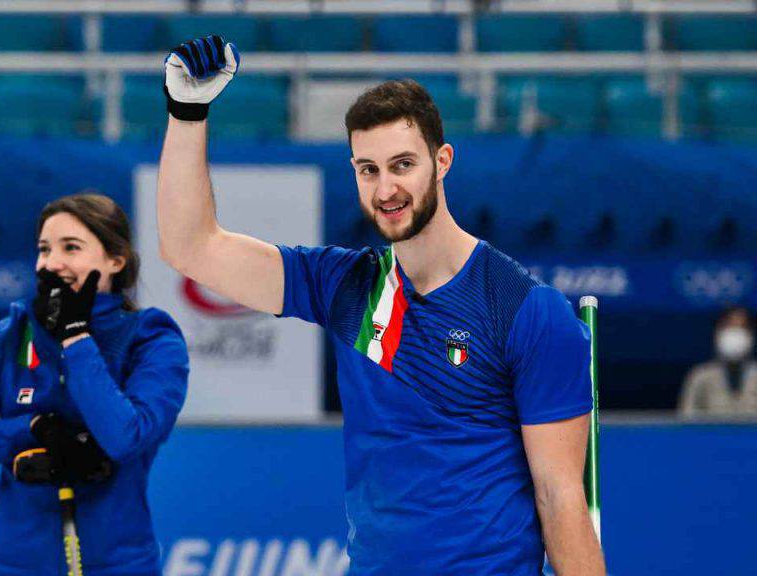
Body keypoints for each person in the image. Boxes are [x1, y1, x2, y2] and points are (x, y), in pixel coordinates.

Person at [157, 36, 604, 575]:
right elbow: (190, 247)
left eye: (402, 165)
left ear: (442, 161)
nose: (386, 187)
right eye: (368, 169)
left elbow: (560, 499)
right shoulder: (345, 285)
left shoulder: (527, 310)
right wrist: (186, 113)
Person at [0, 193, 189, 576]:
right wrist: (31, 429)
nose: (53, 262)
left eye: (71, 248)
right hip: (17, 566)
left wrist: (76, 337)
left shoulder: (151, 338)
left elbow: (125, 437)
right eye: (44, 249)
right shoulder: (11, 335)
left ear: (116, 260)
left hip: (117, 565)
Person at [679, 306, 757, 417]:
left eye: (742, 328)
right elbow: (686, 422)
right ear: (718, 333)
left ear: (751, 335)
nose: (735, 334)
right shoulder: (700, 376)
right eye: (729, 327)